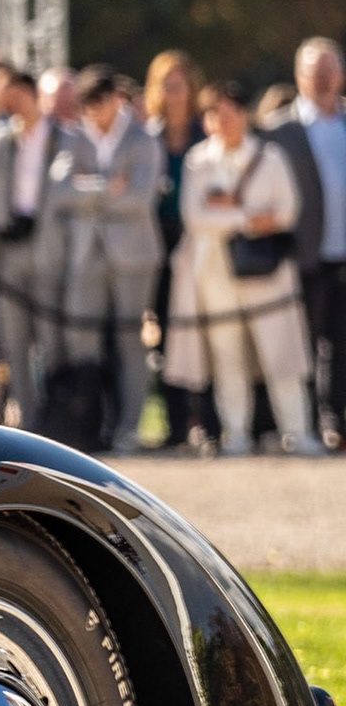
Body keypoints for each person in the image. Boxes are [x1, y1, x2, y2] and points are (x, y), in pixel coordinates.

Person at [166, 83, 320, 457]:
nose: (225, 120)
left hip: (266, 271)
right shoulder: (197, 160)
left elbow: (287, 212)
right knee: (226, 355)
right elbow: (195, 217)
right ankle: (236, 435)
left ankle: (298, 433)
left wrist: (226, 210)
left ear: (245, 114)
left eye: (232, 111)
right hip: (215, 272)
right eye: (217, 113)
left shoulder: (271, 157)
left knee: (281, 353)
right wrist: (250, 216)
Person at [44, 65, 164, 454]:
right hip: (85, 255)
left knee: (131, 341)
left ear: (116, 98)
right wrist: (106, 188)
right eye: (87, 107)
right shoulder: (75, 137)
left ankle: (129, 427)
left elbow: (140, 197)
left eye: (98, 104)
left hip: (134, 255)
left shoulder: (143, 138)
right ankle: (90, 426)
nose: (93, 114)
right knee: (83, 340)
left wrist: (86, 193)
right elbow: (58, 191)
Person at [0, 64, 63, 430]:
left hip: (48, 248)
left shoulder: (63, 136)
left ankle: (57, 419)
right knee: (14, 342)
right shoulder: (1, 137)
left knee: (52, 342)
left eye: (21, 94)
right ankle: (31, 423)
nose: (16, 103)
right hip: (7, 250)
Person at [261, 37, 346, 446]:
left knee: (342, 348)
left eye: (330, 71)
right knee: (303, 347)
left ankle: (336, 423)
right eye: (316, 72)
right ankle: (303, 423)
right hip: (303, 256)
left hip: (343, 255)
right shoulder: (280, 131)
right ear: (299, 77)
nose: (324, 79)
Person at [145, 50, 207, 448]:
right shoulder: (146, 137)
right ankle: (173, 420)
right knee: (166, 334)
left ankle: (206, 421)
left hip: (199, 241)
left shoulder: (206, 133)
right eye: (166, 86)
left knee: (203, 330)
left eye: (179, 85)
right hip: (156, 242)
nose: (173, 94)